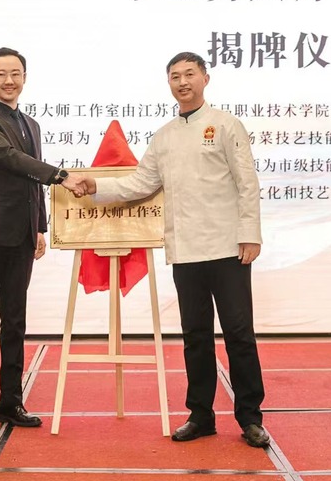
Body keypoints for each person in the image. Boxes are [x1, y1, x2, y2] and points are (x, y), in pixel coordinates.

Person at [79, 52, 270, 448]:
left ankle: (250, 418)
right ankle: (200, 416)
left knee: (239, 334)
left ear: (205, 78)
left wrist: (250, 234)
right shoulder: (164, 136)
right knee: (195, 336)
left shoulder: (226, 125)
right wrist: (97, 186)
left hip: (228, 248)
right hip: (185, 251)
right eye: (175, 76)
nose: (183, 82)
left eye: (189, 74)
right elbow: (139, 184)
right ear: (169, 83)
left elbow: (247, 182)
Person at [0, 46, 84, 432]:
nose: (9, 80)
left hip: (22, 235)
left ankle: (10, 402)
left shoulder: (32, 124)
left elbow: (31, 184)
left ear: (25, 78)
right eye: (1, 74)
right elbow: (10, 158)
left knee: (14, 321)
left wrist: (40, 227)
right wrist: (60, 175)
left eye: (15, 73)